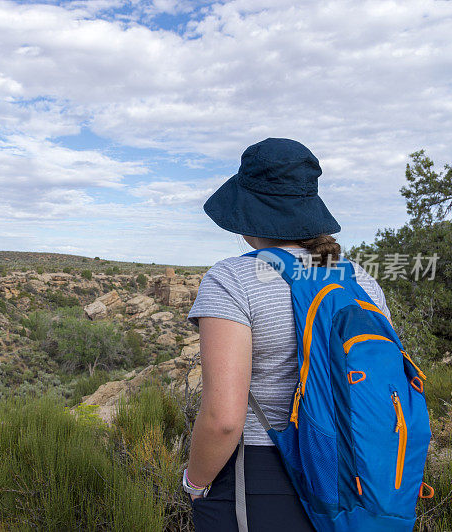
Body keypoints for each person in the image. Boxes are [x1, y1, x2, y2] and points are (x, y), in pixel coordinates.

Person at [183, 138, 392, 531]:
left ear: (247, 213)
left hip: (261, 471)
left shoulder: (232, 278)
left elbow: (224, 419)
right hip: (357, 471)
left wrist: (195, 482)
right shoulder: (361, 281)